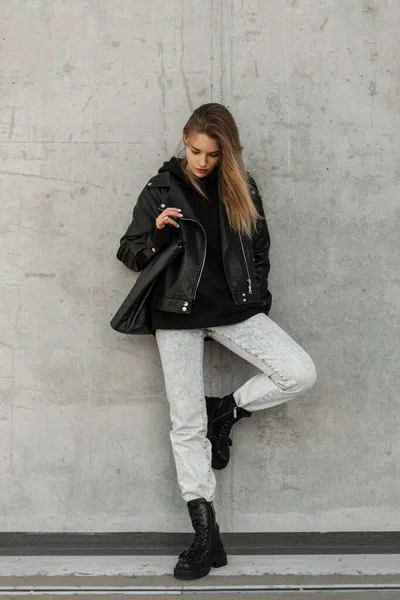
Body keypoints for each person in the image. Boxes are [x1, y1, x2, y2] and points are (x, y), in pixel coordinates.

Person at [116, 103, 317, 580]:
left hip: (234, 312)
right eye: (194, 150)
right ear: (184, 141)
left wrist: (256, 299)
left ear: (227, 151)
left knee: (299, 372)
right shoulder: (161, 186)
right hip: (176, 313)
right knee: (185, 424)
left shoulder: (241, 188)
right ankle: (206, 537)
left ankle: (225, 410)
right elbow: (129, 250)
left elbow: (260, 250)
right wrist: (156, 236)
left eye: (211, 153)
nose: (201, 161)